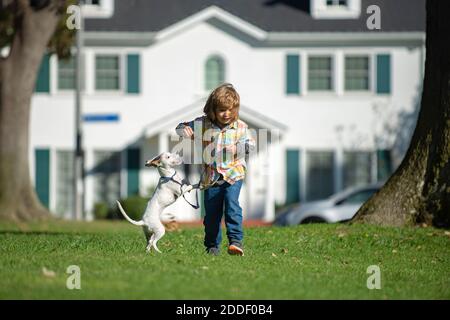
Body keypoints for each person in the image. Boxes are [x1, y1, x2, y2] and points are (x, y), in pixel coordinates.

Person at [175, 83, 255, 256]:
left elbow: (250, 145)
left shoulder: (240, 127)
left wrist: (240, 149)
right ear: (212, 109)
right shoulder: (203, 124)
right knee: (212, 214)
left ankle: (235, 241)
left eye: (230, 110)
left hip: (234, 173)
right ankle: (212, 246)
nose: (226, 114)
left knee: (231, 204)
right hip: (210, 177)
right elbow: (179, 127)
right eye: (221, 110)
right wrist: (185, 131)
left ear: (235, 109)